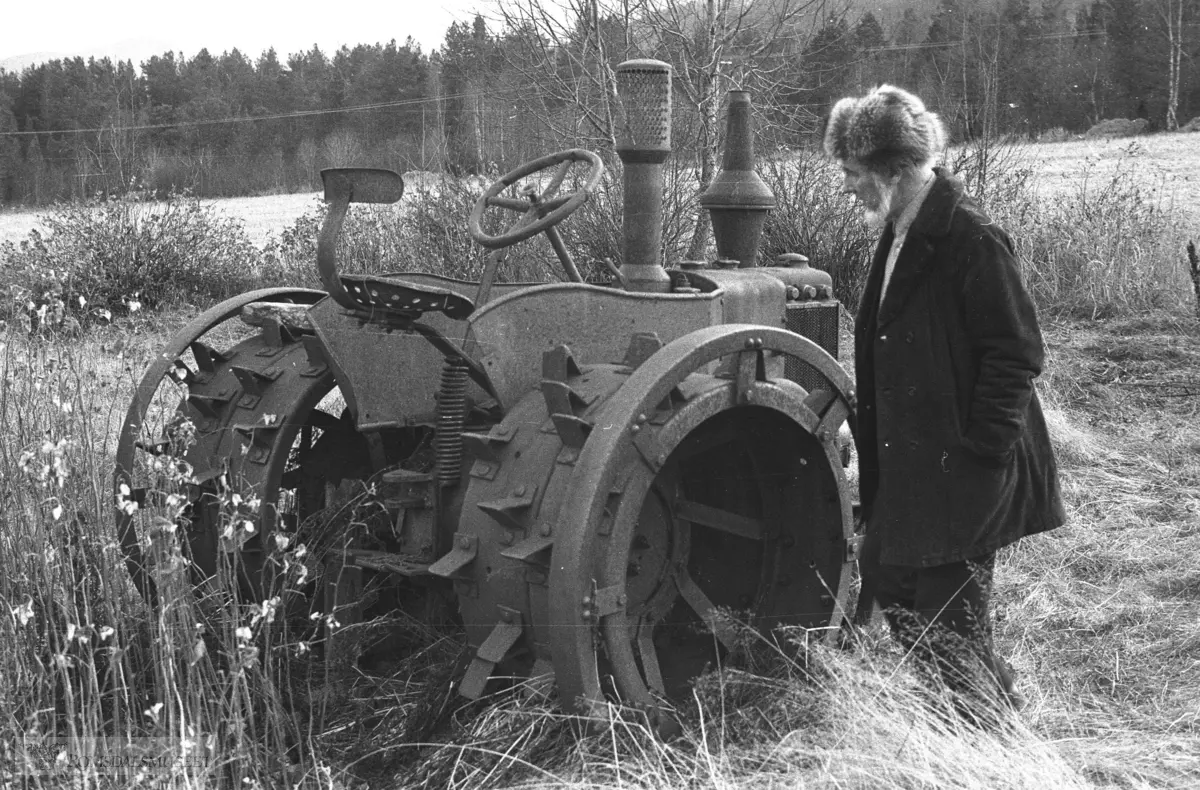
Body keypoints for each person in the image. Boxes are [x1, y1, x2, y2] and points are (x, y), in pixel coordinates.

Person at [824, 85, 1066, 725]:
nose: (846, 188)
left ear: (894, 171)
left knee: (946, 625)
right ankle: (989, 725)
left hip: (959, 475)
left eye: (852, 174)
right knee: (899, 590)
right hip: (911, 472)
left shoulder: (970, 237)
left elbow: (1016, 353)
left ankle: (983, 743)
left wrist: (979, 453)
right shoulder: (902, 229)